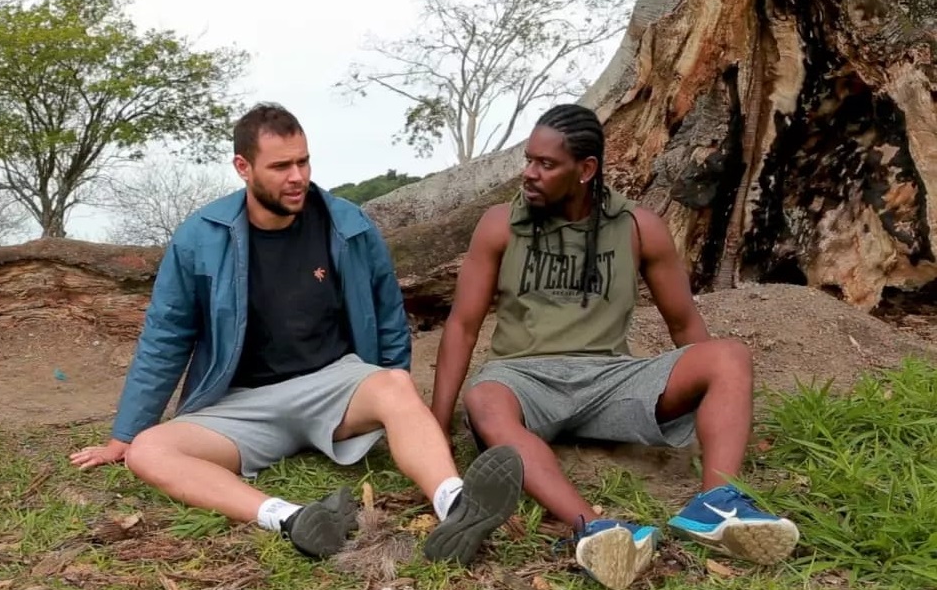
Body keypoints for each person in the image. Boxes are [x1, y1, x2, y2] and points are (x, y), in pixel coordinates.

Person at [69, 103, 524, 566]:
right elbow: (166, 335)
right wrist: (126, 433)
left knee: (395, 385)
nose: (297, 177)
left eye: (303, 162)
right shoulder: (200, 237)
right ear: (243, 167)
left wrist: (400, 416)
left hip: (334, 385)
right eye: (281, 166)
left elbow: (388, 315)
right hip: (244, 405)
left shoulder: (349, 225)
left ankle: (456, 504)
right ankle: (291, 518)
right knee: (148, 452)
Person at [429, 103, 799, 589]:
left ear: (585, 170)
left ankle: (716, 505)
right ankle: (594, 528)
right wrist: (436, 427)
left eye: (546, 164)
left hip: (611, 381)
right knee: (484, 398)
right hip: (523, 379)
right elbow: (462, 327)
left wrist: (717, 400)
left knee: (729, 356)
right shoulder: (500, 225)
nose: (530, 173)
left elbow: (684, 323)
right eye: (529, 160)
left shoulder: (639, 227)